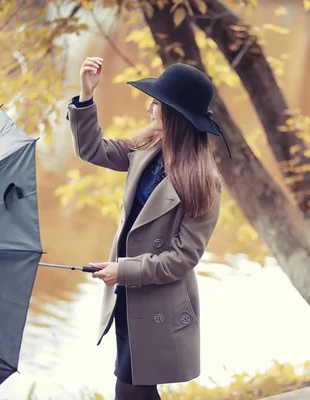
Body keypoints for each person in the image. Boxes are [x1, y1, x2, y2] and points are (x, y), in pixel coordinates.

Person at [66, 57, 231, 400]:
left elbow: (182, 259)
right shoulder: (146, 148)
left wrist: (123, 270)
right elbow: (92, 148)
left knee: (130, 388)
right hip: (128, 291)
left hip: (156, 298)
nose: (148, 108)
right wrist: (85, 94)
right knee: (134, 387)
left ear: (174, 114)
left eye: (156, 103)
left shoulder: (203, 182)